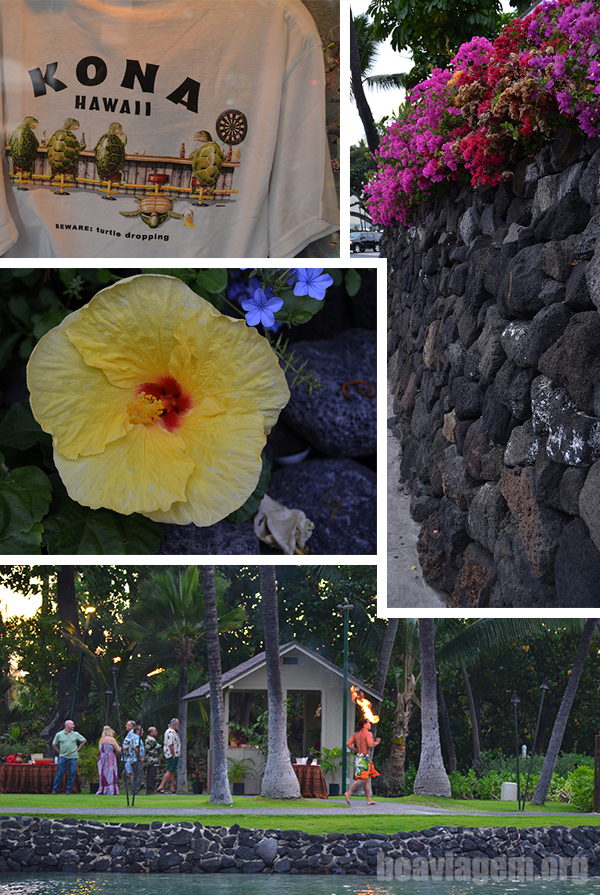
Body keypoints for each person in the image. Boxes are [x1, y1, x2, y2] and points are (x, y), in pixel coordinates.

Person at [345, 718, 381, 806]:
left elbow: (348, 744)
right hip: (364, 757)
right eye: (368, 723)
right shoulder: (368, 734)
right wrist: (377, 742)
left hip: (359, 757)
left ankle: (369, 800)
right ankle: (349, 792)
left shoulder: (356, 734)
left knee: (366, 780)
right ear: (364, 725)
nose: (370, 725)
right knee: (363, 778)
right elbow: (370, 745)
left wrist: (356, 750)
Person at [52, 720, 86, 794]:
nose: (73, 726)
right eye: (72, 724)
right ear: (67, 725)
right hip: (63, 756)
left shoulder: (76, 734)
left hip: (73, 757)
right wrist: (59, 751)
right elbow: (54, 744)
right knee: (59, 774)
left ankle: (68, 790)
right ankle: (55, 790)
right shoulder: (59, 734)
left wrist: (79, 748)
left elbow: (83, 740)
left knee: (72, 774)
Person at [157, 718, 180, 794]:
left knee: (172, 771)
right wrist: (173, 754)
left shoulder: (172, 731)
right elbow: (170, 744)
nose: (178, 726)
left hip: (173, 754)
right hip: (172, 754)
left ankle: (172, 788)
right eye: (178, 724)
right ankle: (161, 786)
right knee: (170, 771)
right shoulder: (171, 732)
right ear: (174, 725)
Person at [97, 725, 121, 795]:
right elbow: (118, 749)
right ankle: (111, 790)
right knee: (111, 774)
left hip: (101, 757)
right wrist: (126, 747)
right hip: (109, 758)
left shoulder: (101, 739)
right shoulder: (111, 739)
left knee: (103, 774)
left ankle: (103, 789)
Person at [122, 719, 140, 791]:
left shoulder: (132, 733)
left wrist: (123, 748)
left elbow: (132, 744)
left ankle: (134, 788)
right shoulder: (130, 733)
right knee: (126, 772)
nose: (126, 726)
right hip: (127, 756)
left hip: (130, 756)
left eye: (127, 725)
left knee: (130, 772)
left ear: (132, 726)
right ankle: (136, 784)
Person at [144, 726, 162, 795]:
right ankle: (150, 790)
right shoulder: (152, 739)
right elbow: (159, 747)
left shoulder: (148, 739)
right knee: (152, 775)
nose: (156, 733)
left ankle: (149, 789)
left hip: (150, 760)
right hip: (152, 760)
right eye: (155, 731)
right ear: (151, 732)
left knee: (150, 774)